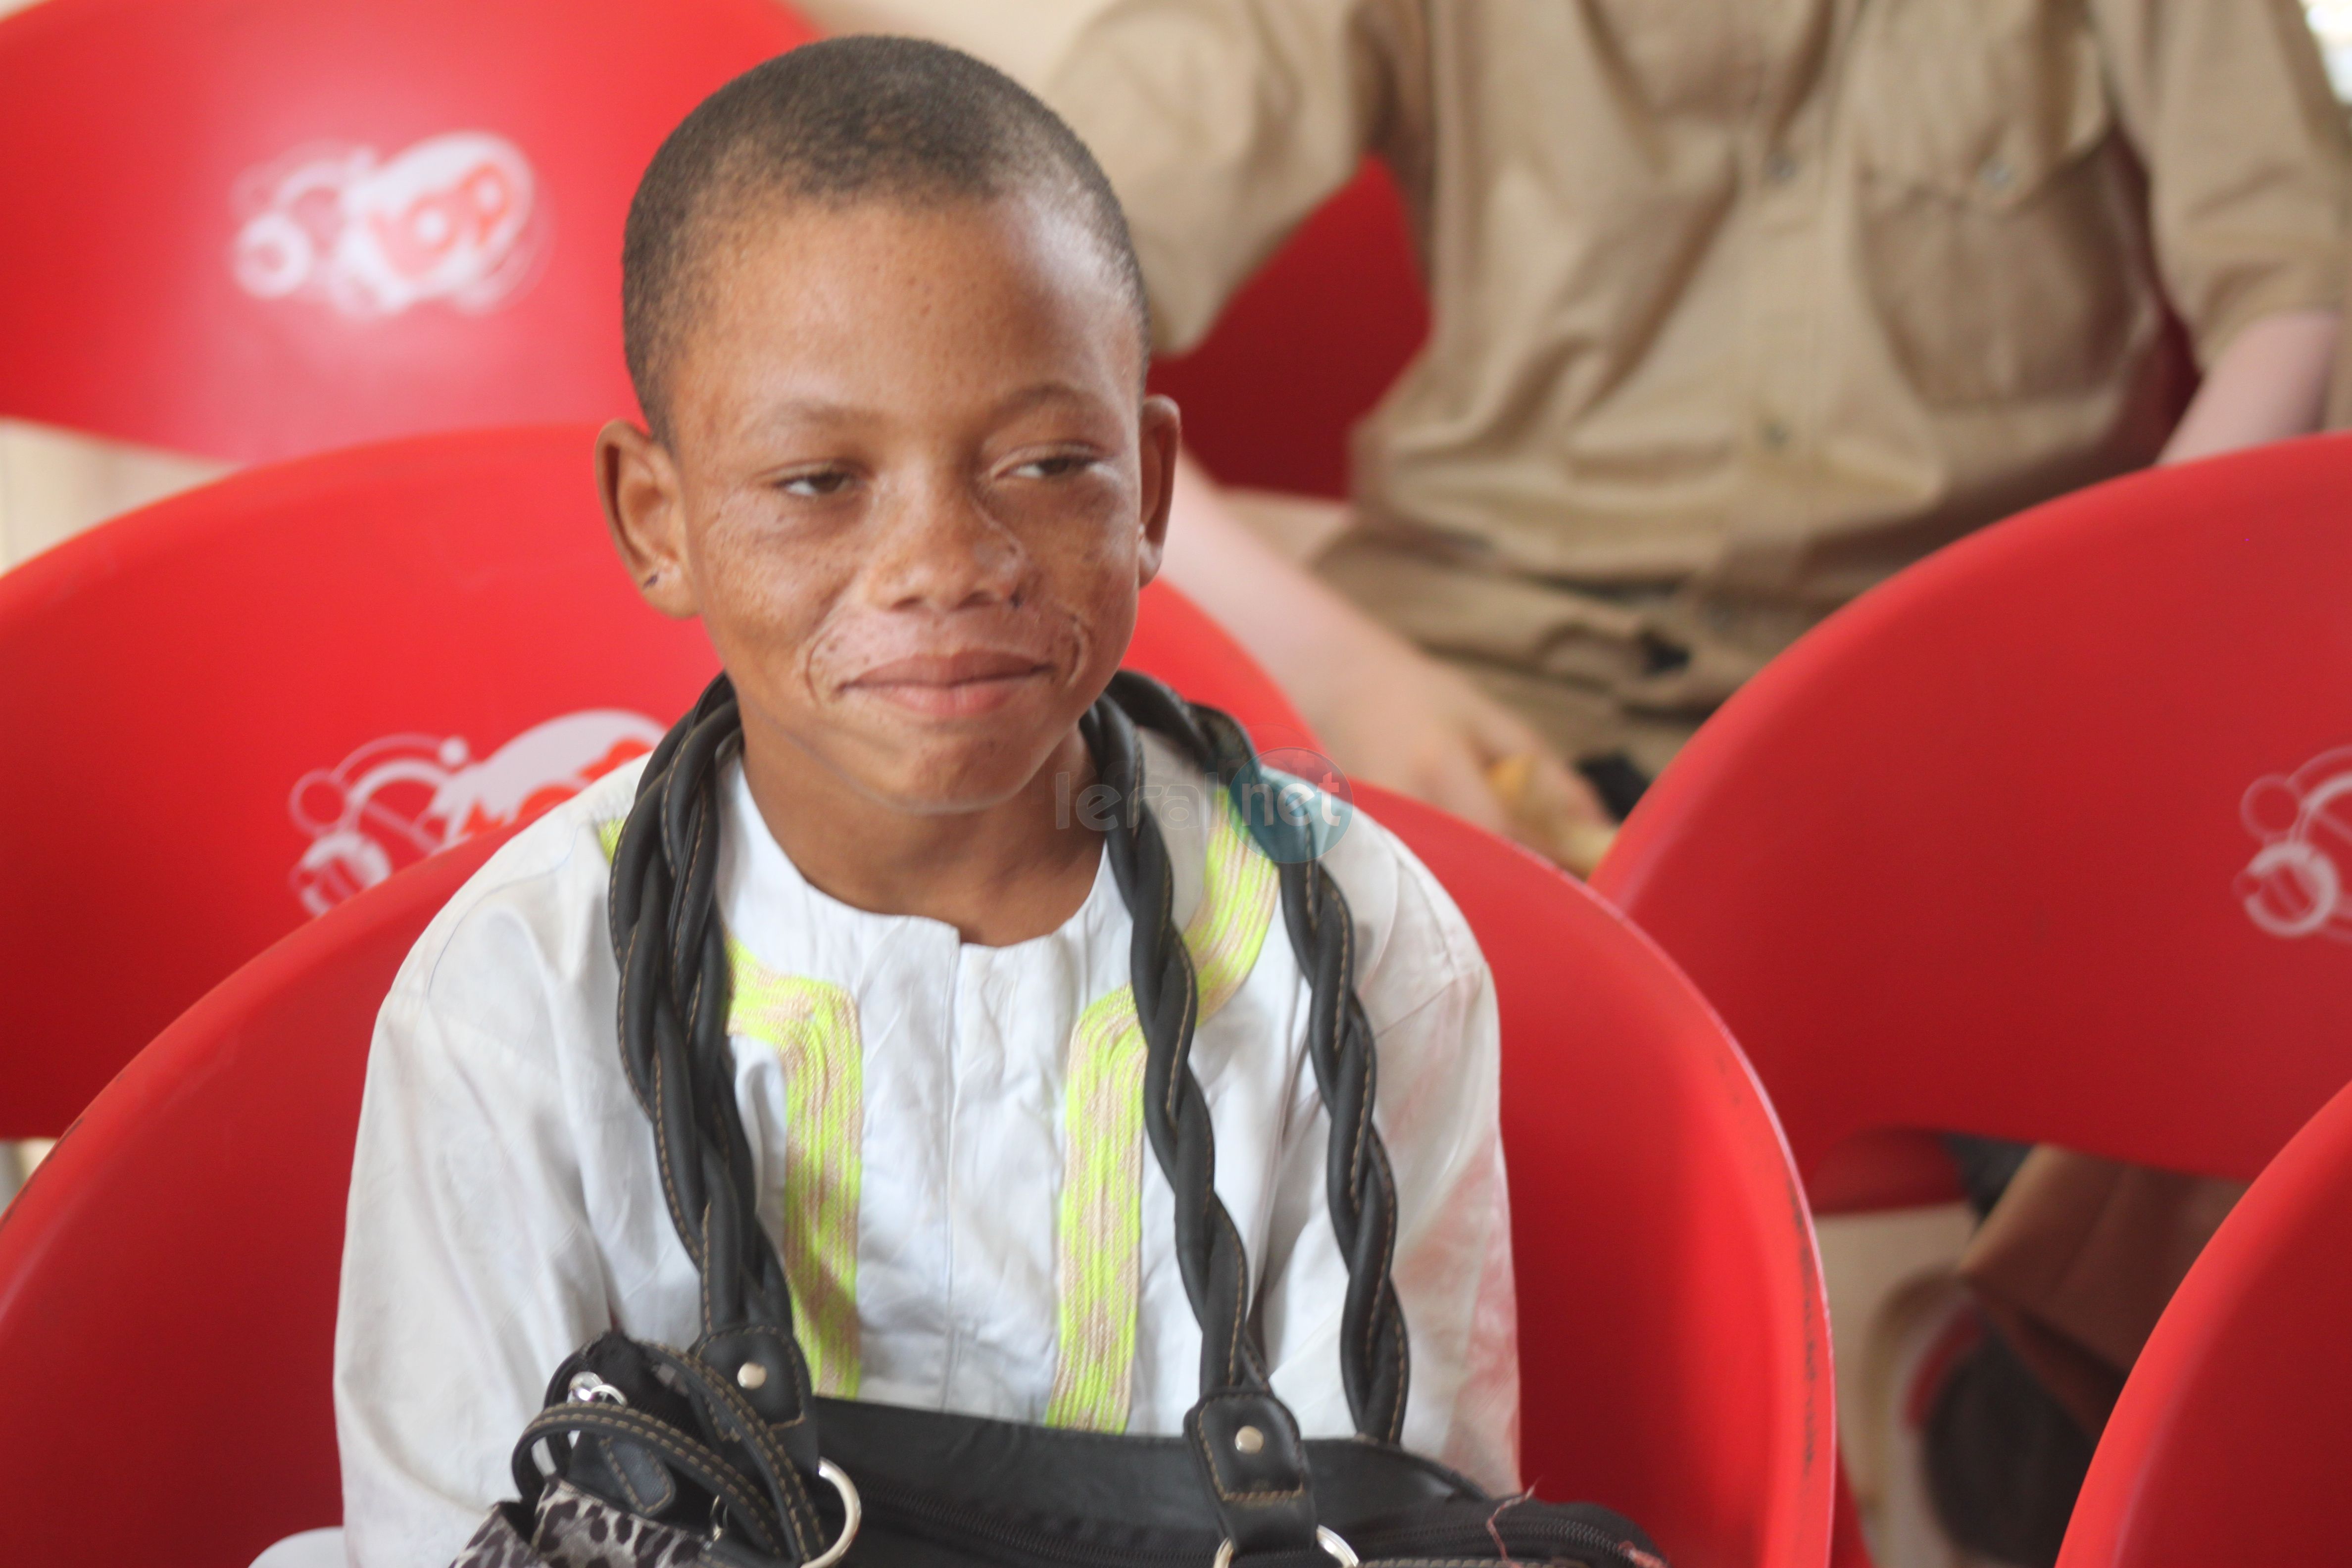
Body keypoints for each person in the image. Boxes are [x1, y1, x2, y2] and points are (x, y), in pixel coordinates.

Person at [323, 38, 1516, 1568]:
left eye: (1045, 462)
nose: (949, 561)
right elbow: (455, 1532)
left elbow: (1391, 1523)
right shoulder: (516, 995)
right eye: (821, 481)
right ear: (659, 519)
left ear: (1148, 494)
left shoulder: (1344, 941)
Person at [1041, 0, 2352, 853]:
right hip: (1497, 652)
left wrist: (2135, 646)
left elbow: (2298, 273)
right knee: (1220, 952)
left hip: (1979, 668)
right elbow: (1034, 282)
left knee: (2225, 958)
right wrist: (1338, 670)